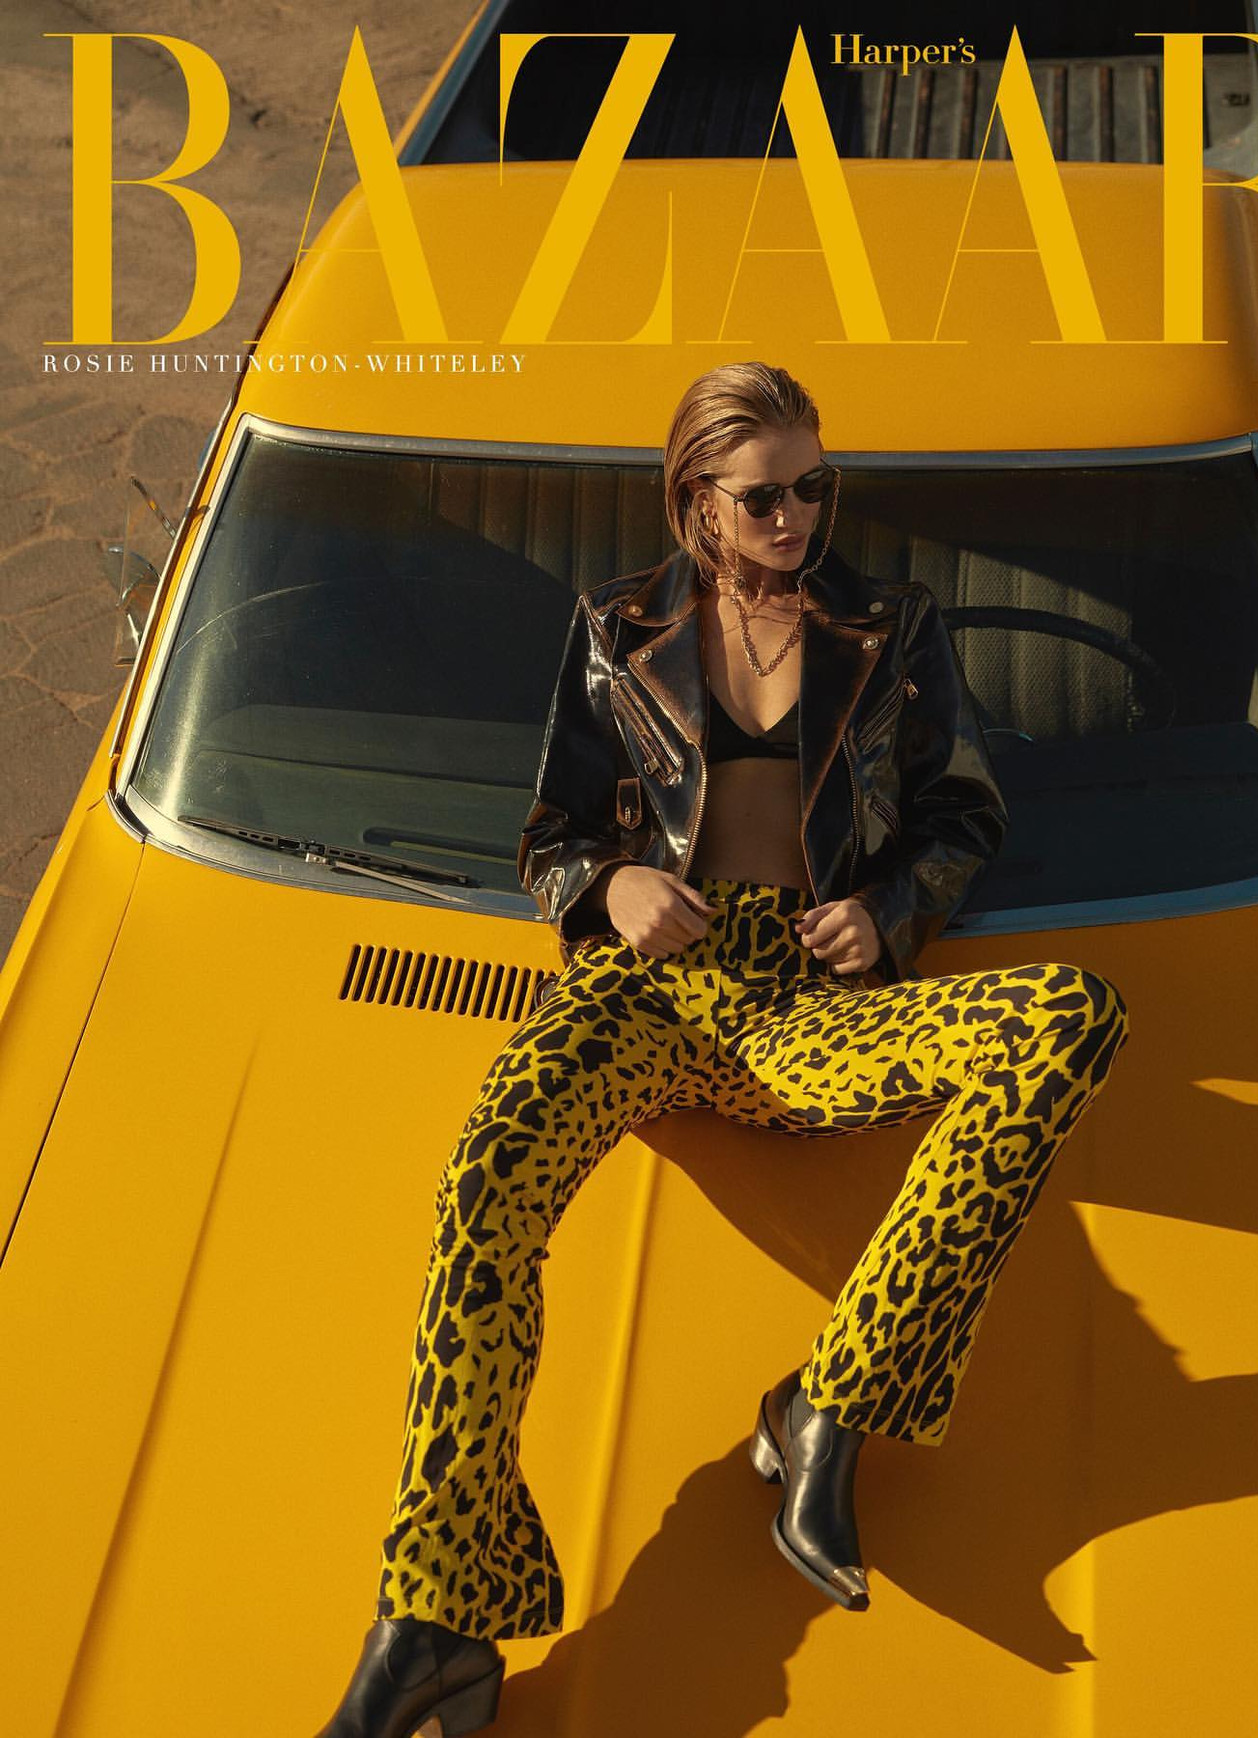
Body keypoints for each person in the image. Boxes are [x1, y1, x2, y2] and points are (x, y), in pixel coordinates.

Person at [312, 362, 1131, 1738]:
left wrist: (888, 910)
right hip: (646, 992)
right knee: (483, 1181)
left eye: (815, 486)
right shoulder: (615, 627)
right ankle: (436, 1611)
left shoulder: (893, 626)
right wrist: (609, 886)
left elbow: (963, 813)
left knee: (1070, 1017)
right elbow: (553, 832)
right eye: (763, 496)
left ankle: (831, 1401)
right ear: (696, 497)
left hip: (809, 1001)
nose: (795, 516)